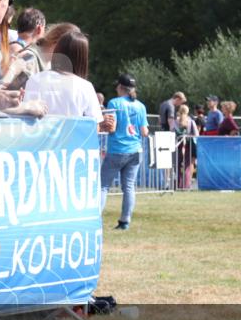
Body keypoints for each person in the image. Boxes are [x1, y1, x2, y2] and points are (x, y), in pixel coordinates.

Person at [22, 30, 112, 132]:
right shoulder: (85, 86)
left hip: (39, 143)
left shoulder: (35, 79)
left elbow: (26, 117)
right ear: (82, 58)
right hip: (72, 145)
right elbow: (93, 128)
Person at [100, 73, 149, 230]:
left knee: (103, 186)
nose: (115, 88)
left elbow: (110, 127)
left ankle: (95, 219)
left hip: (117, 149)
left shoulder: (114, 103)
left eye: (117, 86)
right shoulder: (140, 106)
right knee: (128, 187)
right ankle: (125, 221)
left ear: (121, 87)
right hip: (135, 151)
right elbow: (144, 132)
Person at [174, 104, 199, 189]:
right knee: (187, 166)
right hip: (188, 146)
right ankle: (186, 185)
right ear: (187, 111)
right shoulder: (191, 121)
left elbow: (172, 132)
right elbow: (196, 134)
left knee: (177, 165)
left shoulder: (176, 121)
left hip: (178, 145)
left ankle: (178, 184)